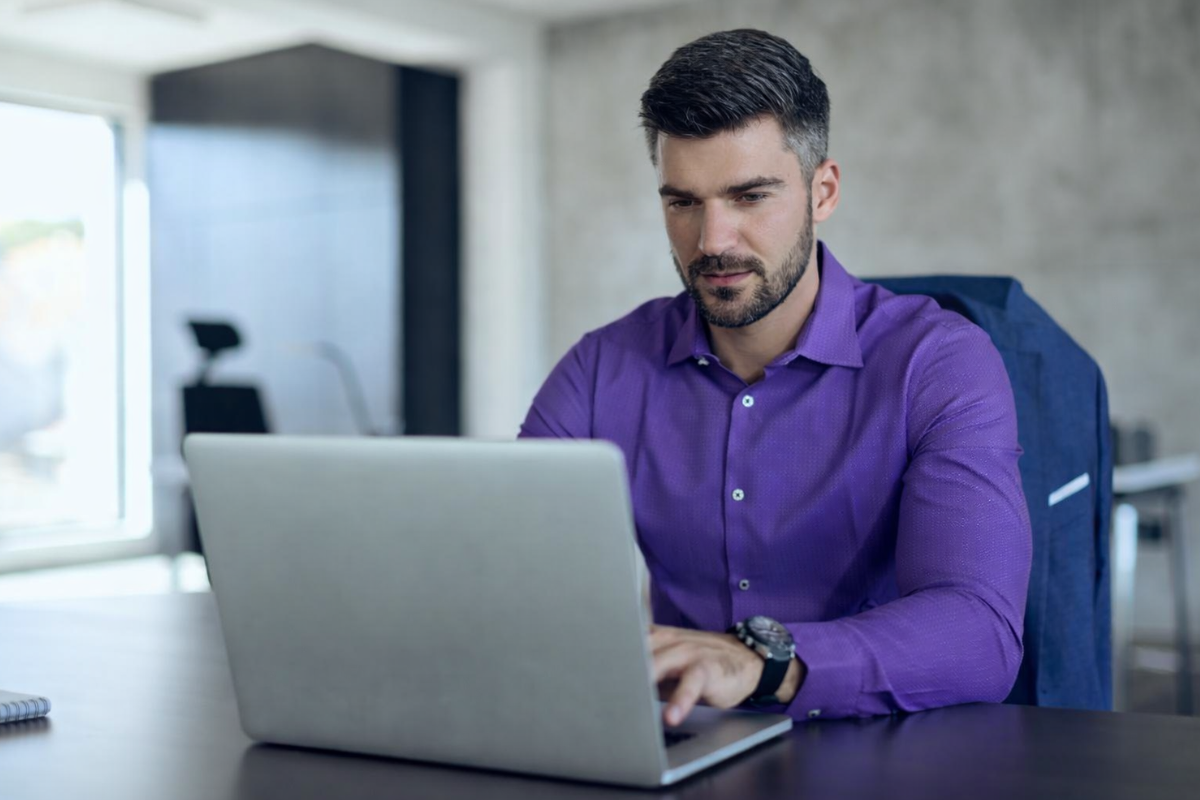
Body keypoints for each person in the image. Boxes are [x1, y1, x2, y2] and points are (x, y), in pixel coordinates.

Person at [520, 29, 1031, 726]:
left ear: (822, 192)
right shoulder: (599, 369)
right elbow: (511, 585)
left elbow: (979, 632)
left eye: (750, 196)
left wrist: (763, 662)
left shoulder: (937, 362)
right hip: (681, 742)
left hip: (888, 752)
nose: (712, 241)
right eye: (683, 202)